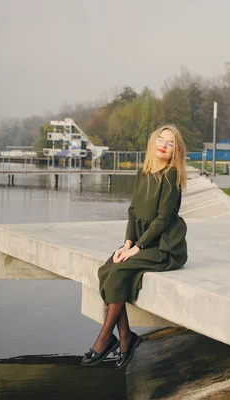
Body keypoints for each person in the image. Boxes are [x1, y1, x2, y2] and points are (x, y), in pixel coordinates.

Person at [81, 125, 188, 369]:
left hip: (164, 246)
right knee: (108, 269)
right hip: (141, 241)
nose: (163, 145)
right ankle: (127, 337)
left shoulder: (171, 176)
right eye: (160, 140)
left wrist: (138, 247)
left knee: (119, 272)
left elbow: (162, 220)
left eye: (170, 143)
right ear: (153, 142)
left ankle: (106, 338)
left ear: (175, 151)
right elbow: (133, 212)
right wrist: (127, 244)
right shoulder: (146, 172)